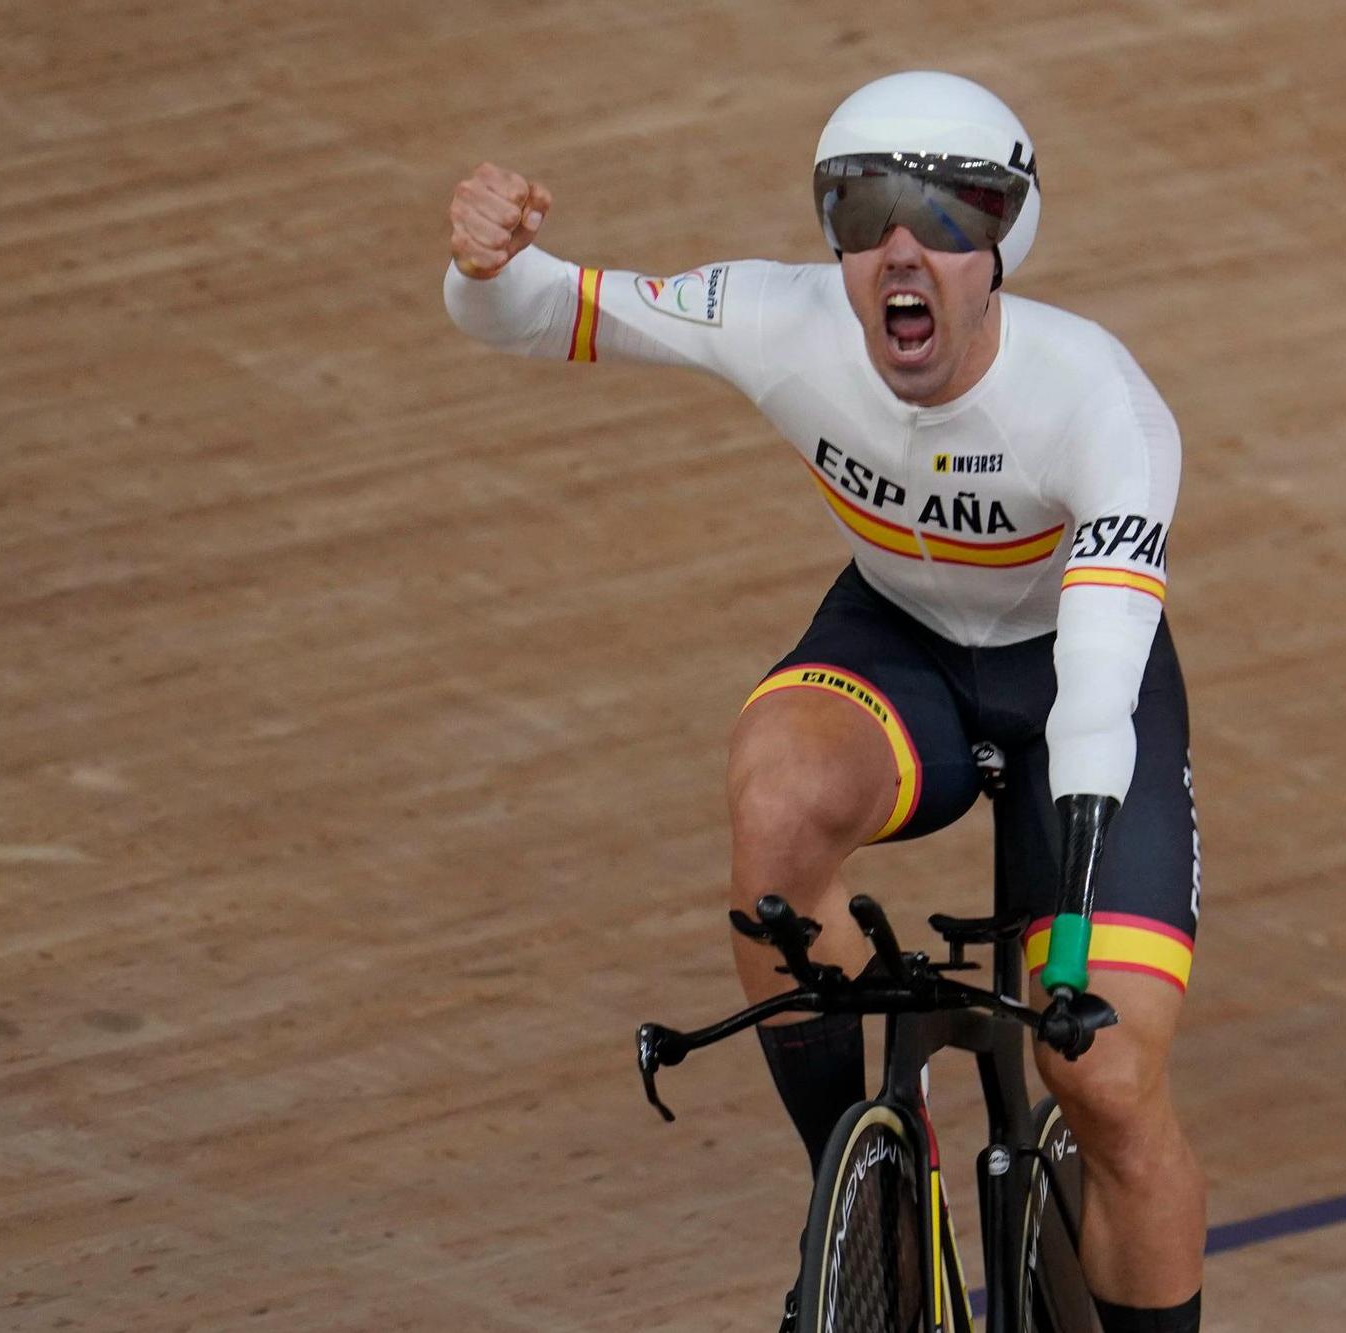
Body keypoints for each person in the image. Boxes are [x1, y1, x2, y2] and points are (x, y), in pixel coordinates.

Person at [445, 70, 1205, 1332]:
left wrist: (1066, 934)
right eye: (862, 215)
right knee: (774, 801)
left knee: (1110, 1083)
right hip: (895, 646)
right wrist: (485, 266)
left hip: (1069, 678)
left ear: (1005, 239)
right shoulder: (774, 315)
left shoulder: (1099, 403)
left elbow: (1101, 679)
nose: (901, 250)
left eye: (945, 218)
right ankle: (856, 1210)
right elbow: (539, 311)